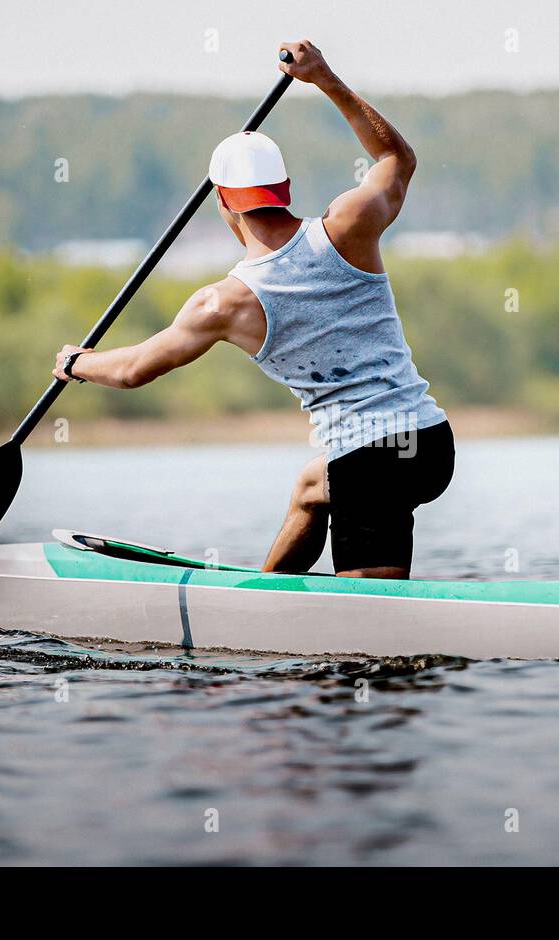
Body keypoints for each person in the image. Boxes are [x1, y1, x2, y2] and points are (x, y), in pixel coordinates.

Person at [53, 39, 453, 579]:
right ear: (284, 189)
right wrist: (325, 79)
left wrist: (76, 363)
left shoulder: (222, 302)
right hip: (429, 443)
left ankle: (341, 637)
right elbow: (396, 159)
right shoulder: (351, 224)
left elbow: (129, 371)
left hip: (371, 462)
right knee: (314, 488)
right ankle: (264, 593)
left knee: (368, 642)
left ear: (222, 202)